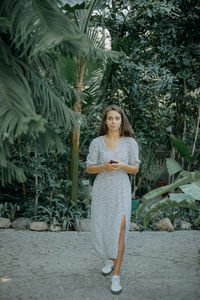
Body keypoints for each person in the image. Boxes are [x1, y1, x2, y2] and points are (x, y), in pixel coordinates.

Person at [86, 104, 140, 295]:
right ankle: (110, 258)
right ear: (105, 121)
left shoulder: (130, 143)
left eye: (117, 118)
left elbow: (135, 168)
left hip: (121, 189)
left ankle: (116, 275)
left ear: (121, 120)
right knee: (106, 225)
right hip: (102, 190)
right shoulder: (97, 142)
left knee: (119, 229)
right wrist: (104, 167)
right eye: (110, 118)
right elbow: (89, 168)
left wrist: (123, 165)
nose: (113, 121)